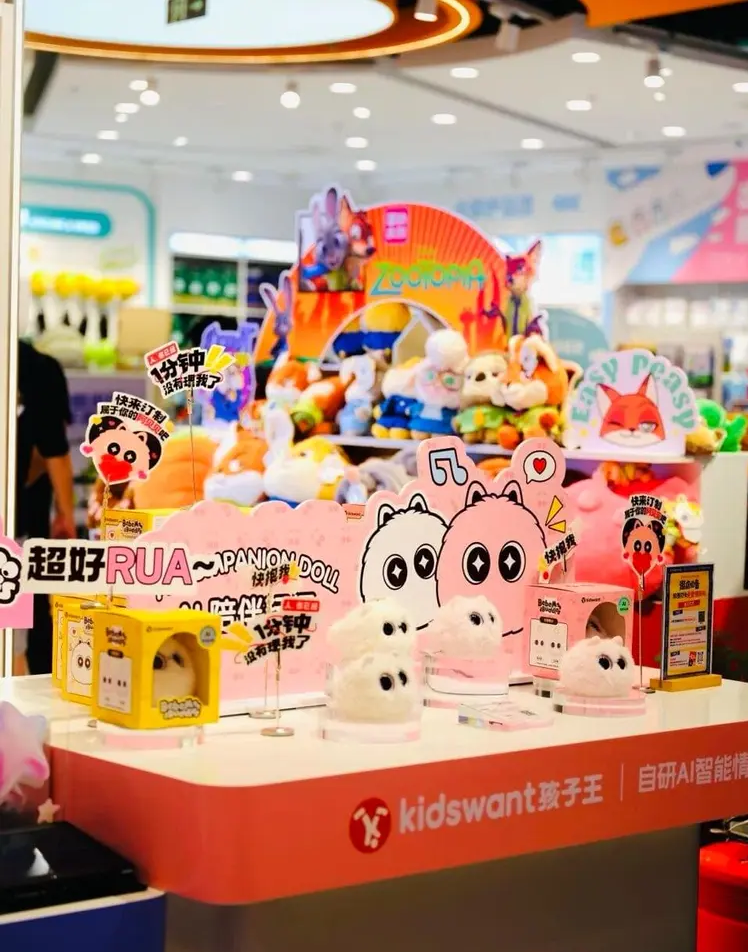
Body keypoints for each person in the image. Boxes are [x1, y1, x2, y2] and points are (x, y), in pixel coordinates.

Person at [16, 340, 75, 674]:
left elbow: (53, 448)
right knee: (28, 605)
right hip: (23, 515)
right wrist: (66, 515)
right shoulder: (39, 366)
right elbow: (54, 450)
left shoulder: (35, 367)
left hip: (24, 510)